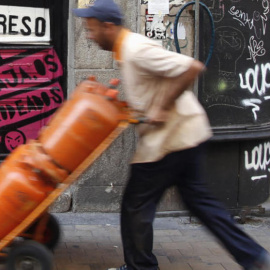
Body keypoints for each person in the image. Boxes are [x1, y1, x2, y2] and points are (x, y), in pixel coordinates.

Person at [73, 1, 270, 270]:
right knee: (200, 202)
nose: (90, 36)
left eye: (92, 29)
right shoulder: (125, 51)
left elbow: (190, 67)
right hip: (187, 133)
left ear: (108, 26)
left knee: (136, 205)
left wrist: (163, 106)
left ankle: (140, 267)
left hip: (171, 139)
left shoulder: (135, 49)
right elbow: (153, 85)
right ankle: (254, 257)